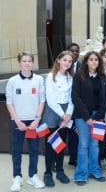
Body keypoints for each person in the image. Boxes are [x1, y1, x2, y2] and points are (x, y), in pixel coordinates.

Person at [6, 52, 46, 191]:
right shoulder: (12, 81)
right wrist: (17, 121)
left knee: (34, 150)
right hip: (18, 121)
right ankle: (16, 177)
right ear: (19, 63)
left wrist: (37, 119)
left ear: (32, 63)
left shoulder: (39, 80)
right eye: (24, 61)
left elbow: (42, 100)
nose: (27, 63)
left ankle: (33, 176)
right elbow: (9, 103)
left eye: (29, 61)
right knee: (16, 151)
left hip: (34, 121)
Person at [71, 51, 106, 186]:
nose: (94, 62)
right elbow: (75, 98)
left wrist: (98, 116)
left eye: (96, 60)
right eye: (91, 59)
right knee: (83, 145)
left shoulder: (103, 77)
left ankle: (94, 170)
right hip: (82, 116)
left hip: (98, 116)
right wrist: (87, 118)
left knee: (95, 145)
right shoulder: (78, 76)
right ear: (86, 61)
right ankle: (81, 173)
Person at [42, 51, 74, 187]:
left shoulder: (71, 77)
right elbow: (50, 99)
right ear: (58, 60)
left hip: (67, 112)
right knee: (50, 144)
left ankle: (60, 171)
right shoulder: (50, 77)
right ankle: (48, 173)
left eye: (70, 61)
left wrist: (68, 115)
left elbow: (72, 98)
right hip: (53, 111)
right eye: (65, 60)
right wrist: (62, 115)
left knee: (61, 144)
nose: (67, 63)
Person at [66, 43, 81, 167]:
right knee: (60, 134)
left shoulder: (83, 67)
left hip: (77, 108)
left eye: (77, 51)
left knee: (74, 134)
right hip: (63, 108)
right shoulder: (62, 67)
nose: (75, 53)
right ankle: (56, 160)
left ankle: (73, 158)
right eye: (72, 51)